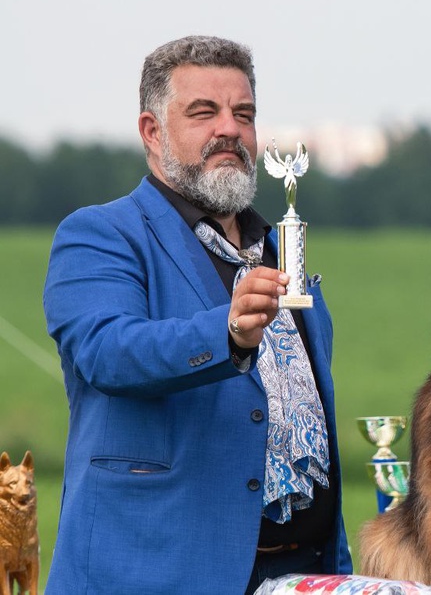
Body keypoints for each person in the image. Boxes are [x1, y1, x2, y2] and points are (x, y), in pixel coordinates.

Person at [43, 35, 352, 594]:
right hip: (153, 575)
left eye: (244, 114)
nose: (230, 129)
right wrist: (227, 332)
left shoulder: (281, 251)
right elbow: (109, 352)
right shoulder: (99, 235)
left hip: (301, 574)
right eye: (204, 112)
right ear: (152, 131)